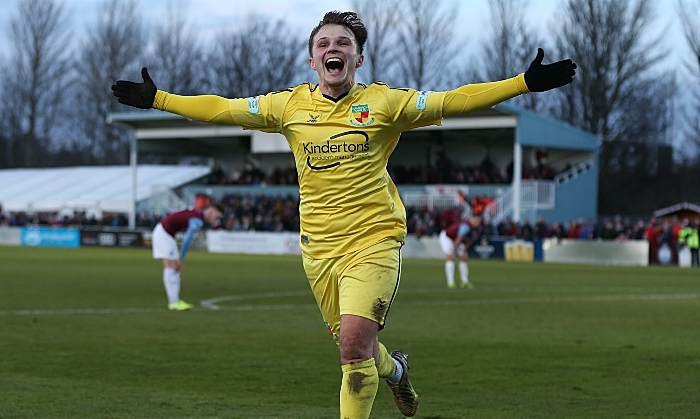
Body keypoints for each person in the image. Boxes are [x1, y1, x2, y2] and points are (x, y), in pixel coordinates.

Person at [112, 10, 576, 418]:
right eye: (323, 44)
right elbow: (223, 110)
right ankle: (397, 372)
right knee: (362, 348)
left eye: (343, 44)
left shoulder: (384, 104)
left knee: (353, 347)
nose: (333, 49)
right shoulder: (288, 106)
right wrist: (159, 99)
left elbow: (450, 100)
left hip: (374, 240)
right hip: (319, 250)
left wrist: (522, 83)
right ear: (312, 61)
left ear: (358, 59)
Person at [151, 203, 224, 310]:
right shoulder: (197, 220)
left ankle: (175, 301)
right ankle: (174, 302)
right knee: (172, 267)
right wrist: (182, 258)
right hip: (164, 234)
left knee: (173, 268)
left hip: (165, 233)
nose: (216, 221)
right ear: (210, 212)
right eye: (216, 217)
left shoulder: (197, 213)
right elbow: (187, 239)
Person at [439, 215, 482, 289]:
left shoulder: (477, 229)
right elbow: (458, 240)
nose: (477, 223)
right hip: (447, 238)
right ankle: (450, 282)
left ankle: (464, 281)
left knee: (464, 257)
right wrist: (454, 252)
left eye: (478, 222)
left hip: (457, 240)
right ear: (471, 220)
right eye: (475, 221)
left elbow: (470, 240)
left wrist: (464, 250)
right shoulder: (465, 227)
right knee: (451, 257)